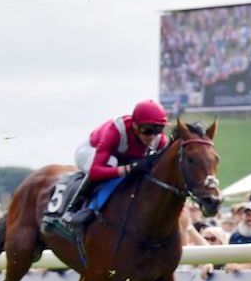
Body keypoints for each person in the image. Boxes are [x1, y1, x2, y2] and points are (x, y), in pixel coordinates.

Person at [61, 98, 171, 232]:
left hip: (120, 158)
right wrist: (129, 169)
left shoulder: (159, 140)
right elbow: (96, 171)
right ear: (135, 125)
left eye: (158, 129)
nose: (153, 136)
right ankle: (72, 209)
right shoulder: (116, 130)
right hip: (89, 152)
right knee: (111, 162)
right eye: (147, 130)